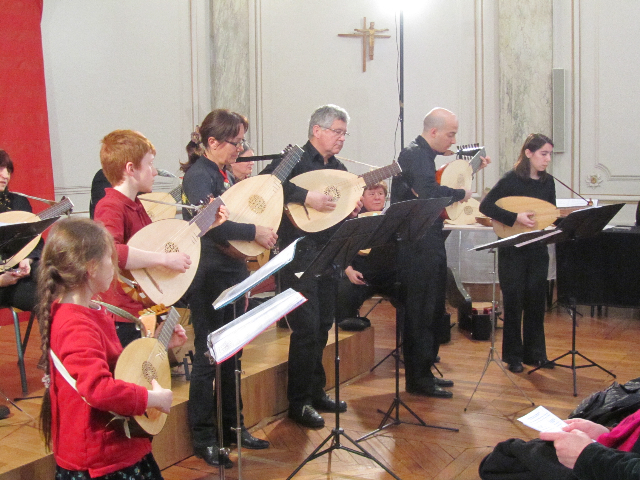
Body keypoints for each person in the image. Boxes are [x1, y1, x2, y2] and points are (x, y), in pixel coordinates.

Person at [36, 217, 187, 480]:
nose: (115, 266)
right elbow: (97, 388)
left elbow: (115, 365)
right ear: (91, 267)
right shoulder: (75, 324)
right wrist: (151, 400)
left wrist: (159, 345)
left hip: (111, 449)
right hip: (100, 458)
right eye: (110, 259)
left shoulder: (87, 310)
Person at [180, 110, 274, 468]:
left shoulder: (220, 174)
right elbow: (213, 227)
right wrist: (255, 234)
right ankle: (204, 436)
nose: (241, 149)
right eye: (236, 142)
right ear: (213, 142)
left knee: (233, 355)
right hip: (209, 280)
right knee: (208, 359)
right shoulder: (198, 176)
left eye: (242, 142)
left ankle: (233, 427)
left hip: (230, 274)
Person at [260, 104, 362, 428]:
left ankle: (316, 391)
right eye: (337, 131)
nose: (342, 138)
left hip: (329, 254)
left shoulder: (340, 169)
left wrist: (352, 209)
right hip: (297, 253)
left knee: (323, 326)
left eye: (345, 133)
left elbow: (336, 210)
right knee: (306, 327)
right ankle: (298, 403)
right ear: (316, 130)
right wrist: (306, 196)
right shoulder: (293, 159)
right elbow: (266, 184)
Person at [390, 107, 490, 398]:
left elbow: (437, 182)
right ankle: (418, 380)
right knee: (419, 311)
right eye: (450, 134)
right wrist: (461, 194)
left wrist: (470, 170)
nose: (453, 140)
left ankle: (426, 370)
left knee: (433, 308)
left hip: (429, 240)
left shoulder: (425, 155)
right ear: (433, 132)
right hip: (415, 244)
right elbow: (428, 190)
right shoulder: (414, 154)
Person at [94, 130, 193, 348]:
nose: (155, 172)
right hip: (123, 316)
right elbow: (111, 252)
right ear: (131, 169)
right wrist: (165, 260)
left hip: (142, 309)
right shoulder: (110, 206)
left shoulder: (136, 204)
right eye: (149, 164)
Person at [479, 133, 555, 373]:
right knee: (514, 304)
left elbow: (549, 214)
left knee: (535, 303)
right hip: (512, 250)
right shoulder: (511, 179)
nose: (548, 159)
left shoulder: (548, 182)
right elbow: (486, 206)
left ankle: (536, 354)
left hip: (537, 250)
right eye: (544, 154)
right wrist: (515, 217)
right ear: (528, 153)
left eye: (550, 154)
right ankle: (513, 356)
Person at [336, 181, 397, 330]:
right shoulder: (351, 219)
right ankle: (348, 327)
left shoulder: (395, 218)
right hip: (361, 273)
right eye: (372, 194)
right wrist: (348, 270)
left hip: (391, 274)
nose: (377, 198)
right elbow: (340, 249)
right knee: (344, 289)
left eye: (381, 194)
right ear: (362, 198)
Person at [0, 149, 41, 313]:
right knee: (44, 299)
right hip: (3, 285)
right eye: (1, 169)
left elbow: (36, 241)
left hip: (21, 272)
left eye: (8, 170)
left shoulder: (19, 203)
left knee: (53, 277)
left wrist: (28, 259)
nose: (6, 176)